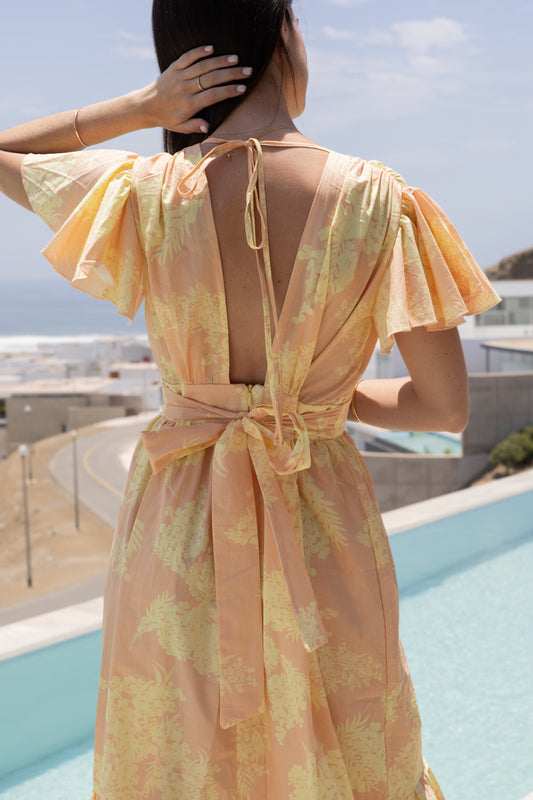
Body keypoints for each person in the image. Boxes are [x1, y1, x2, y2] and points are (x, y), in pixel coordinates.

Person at [0, 1, 500, 798]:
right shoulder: (382, 202)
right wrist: (316, 400)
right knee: (353, 744)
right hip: (321, 513)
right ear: (283, 35)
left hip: (176, 521)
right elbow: (441, 409)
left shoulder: (143, 193)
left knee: (179, 754)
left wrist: (141, 108)